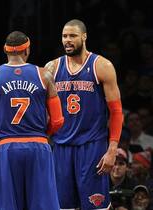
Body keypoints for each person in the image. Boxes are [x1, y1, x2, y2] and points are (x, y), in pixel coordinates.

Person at [0, 31, 64, 210]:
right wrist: (42, 135)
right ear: (27, 50)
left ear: (5, 51)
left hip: (6, 148)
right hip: (38, 145)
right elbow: (58, 120)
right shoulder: (44, 75)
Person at [44, 19, 123, 209]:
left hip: (92, 146)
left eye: (72, 36)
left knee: (95, 206)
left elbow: (117, 112)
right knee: (63, 207)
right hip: (61, 146)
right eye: (64, 36)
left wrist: (112, 149)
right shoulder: (52, 68)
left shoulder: (101, 66)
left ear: (84, 37)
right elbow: (43, 112)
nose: (67, 40)